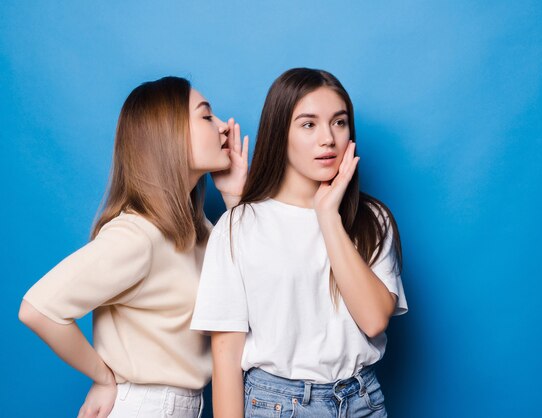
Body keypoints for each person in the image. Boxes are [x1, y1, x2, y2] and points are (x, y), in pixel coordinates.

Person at [18, 76, 248, 418]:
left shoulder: (198, 228)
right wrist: (102, 378)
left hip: (184, 406)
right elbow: (37, 309)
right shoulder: (139, 234)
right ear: (168, 135)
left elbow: (252, 285)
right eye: (206, 116)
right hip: (145, 406)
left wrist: (236, 198)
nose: (224, 128)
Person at [191, 68, 408, 417]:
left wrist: (328, 218)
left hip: (362, 401)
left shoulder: (372, 219)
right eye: (309, 124)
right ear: (280, 134)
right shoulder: (238, 226)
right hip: (277, 404)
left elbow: (373, 320)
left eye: (339, 122)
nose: (328, 139)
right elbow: (226, 358)